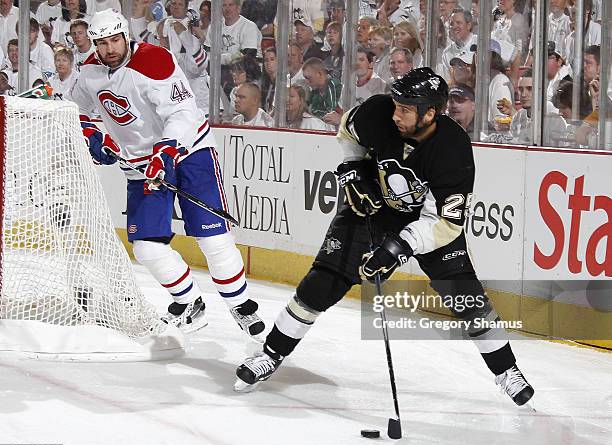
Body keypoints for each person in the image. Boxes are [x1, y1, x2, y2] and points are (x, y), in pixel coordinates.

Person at [234, 67, 535, 408]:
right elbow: (348, 130)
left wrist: (397, 247)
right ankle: (271, 354)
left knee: (467, 297)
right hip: (371, 208)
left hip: (427, 222)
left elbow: (443, 223)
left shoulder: (453, 148)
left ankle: (506, 371)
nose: (396, 113)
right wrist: (353, 168)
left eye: (406, 109)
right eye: (397, 104)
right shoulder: (379, 111)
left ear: (431, 113)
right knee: (323, 282)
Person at [69, 9, 265, 340]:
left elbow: (181, 113)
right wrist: (92, 135)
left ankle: (243, 306)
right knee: (146, 247)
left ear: (125, 36)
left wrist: (165, 152)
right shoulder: (89, 70)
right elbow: (76, 108)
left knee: (213, 238)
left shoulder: (154, 61)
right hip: (140, 164)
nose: (109, 49)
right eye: (102, 43)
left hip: (189, 150)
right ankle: (190, 303)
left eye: (115, 40)